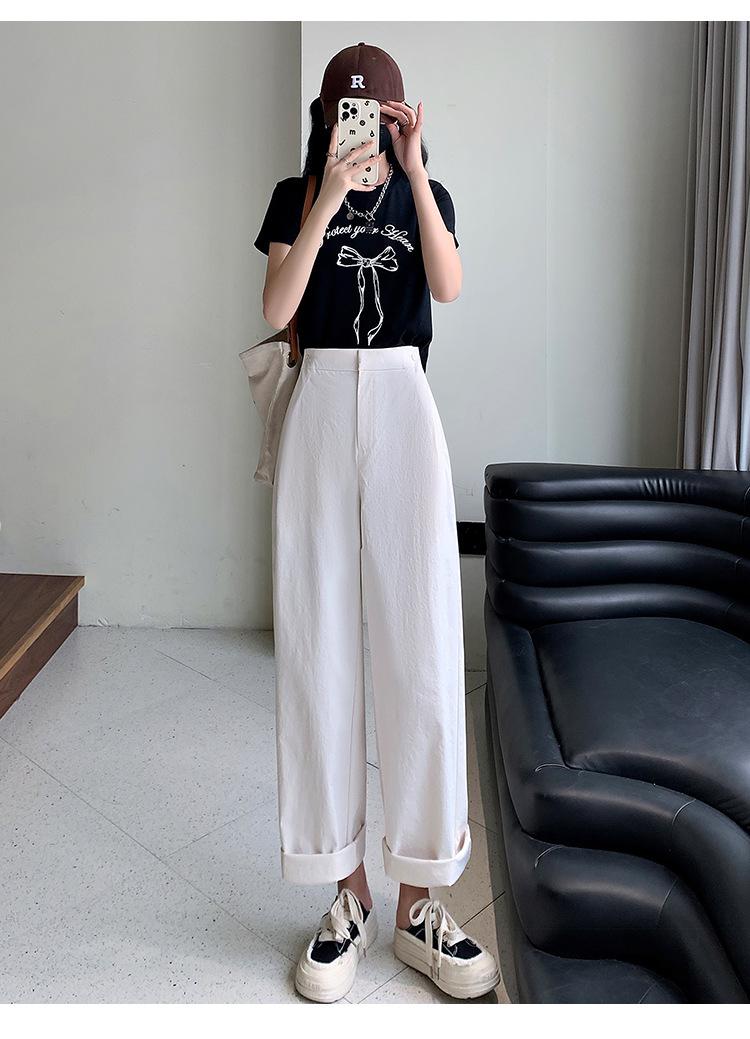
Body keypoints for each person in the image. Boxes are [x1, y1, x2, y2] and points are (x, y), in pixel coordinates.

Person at [253, 42, 501, 1003]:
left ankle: (421, 899)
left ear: (401, 118)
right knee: (318, 644)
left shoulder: (424, 193)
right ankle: (346, 890)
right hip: (319, 401)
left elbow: (448, 286)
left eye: (380, 115)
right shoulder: (294, 196)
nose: (362, 128)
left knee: (424, 644)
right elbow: (279, 303)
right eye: (346, 114)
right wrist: (324, 198)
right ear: (324, 118)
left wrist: (416, 171)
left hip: (403, 401)